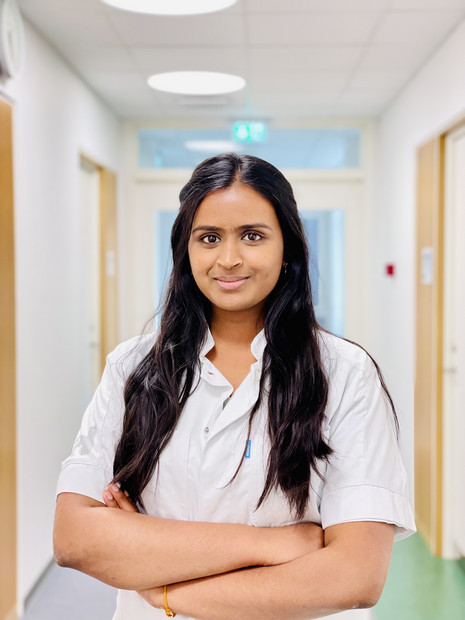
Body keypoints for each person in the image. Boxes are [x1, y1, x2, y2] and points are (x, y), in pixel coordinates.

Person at [53, 153, 415, 620]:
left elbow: (356, 576)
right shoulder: (132, 368)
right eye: (209, 238)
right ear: (186, 249)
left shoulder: (344, 374)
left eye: (252, 235)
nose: (229, 259)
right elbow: (74, 539)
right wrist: (276, 544)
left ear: (288, 246)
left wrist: (165, 591)